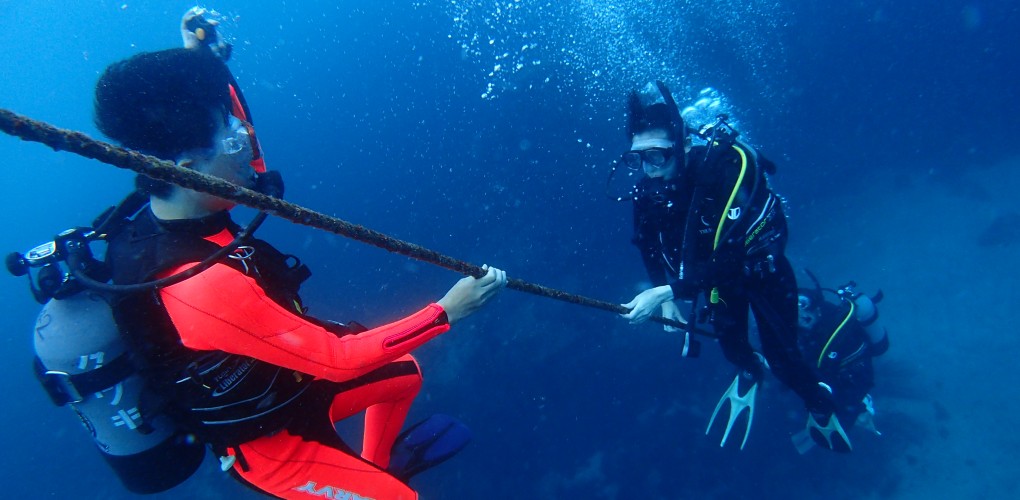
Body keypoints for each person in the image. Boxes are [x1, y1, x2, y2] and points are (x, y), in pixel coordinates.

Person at [83, 13, 507, 500]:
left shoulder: (184, 194)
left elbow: (234, 137)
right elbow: (338, 361)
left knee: (403, 374)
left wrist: (202, 66)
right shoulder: (196, 282)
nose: (250, 148)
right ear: (188, 167)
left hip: (284, 385)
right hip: (267, 445)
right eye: (235, 138)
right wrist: (449, 310)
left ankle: (373, 470)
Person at [618, 81, 847, 451]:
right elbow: (646, 243)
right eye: (636, 159)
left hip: (762, 271)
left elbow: (732, 256)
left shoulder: (727, 170)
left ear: (683, 145)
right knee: (734, 349)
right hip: (712, 282)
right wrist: (665, 297)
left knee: (785, 361)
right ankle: (749, 370)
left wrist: (669, 290)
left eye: (657, 156)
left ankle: (821, 405)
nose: (648, 169)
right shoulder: (649, 189)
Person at [792, 271, 889, 453]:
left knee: (845, 405)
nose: (802, 318)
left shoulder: (835, 328)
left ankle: (862, 409)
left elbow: (820, 367)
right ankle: (858, 410)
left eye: (803, 311)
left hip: (850, 372)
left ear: (815, 309)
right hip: (837, 371)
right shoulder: (815, 321)